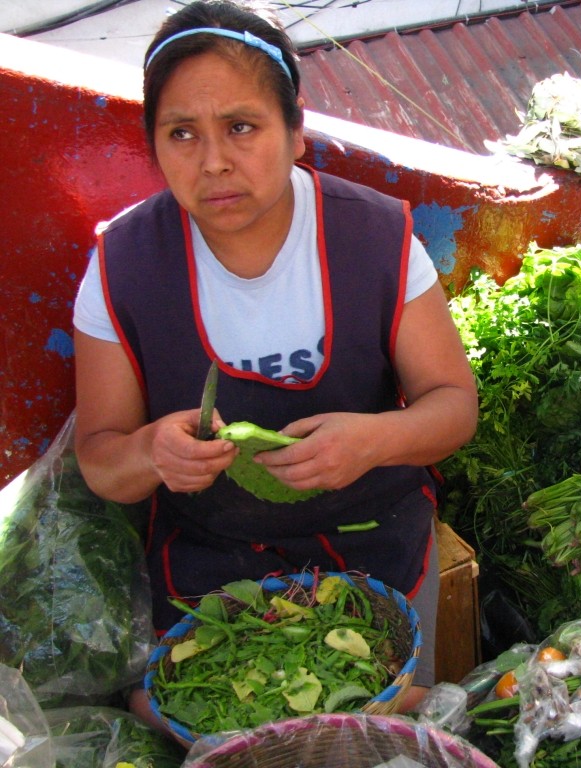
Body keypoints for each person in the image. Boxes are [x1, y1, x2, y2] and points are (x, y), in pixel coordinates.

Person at [71, 0, 478, 725]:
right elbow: (102, 463)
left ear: (295, 132)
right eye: (182, 134)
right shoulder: (123, 269)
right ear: (154, 147)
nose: (214, 161)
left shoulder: (376, 239)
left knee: (375, 722)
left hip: (372, 542)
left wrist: (372, 441)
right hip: (212, 565)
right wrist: (152, 453)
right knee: (195, 718)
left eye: (241, 127)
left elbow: (453, 404)